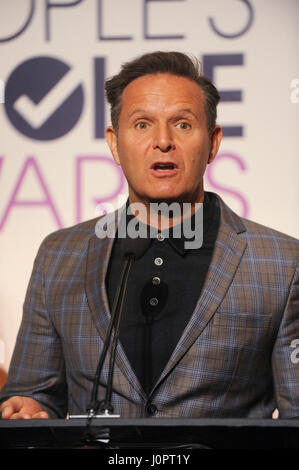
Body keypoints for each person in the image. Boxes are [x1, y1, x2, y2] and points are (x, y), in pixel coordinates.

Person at [0, 51, 298, 420]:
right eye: (142, 124)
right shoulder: (59, 255)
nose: (163, 141)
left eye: (183, 125)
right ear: (114, 142)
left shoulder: (282, 263)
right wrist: (28, 408)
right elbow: (34, 395)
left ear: (214, 142)